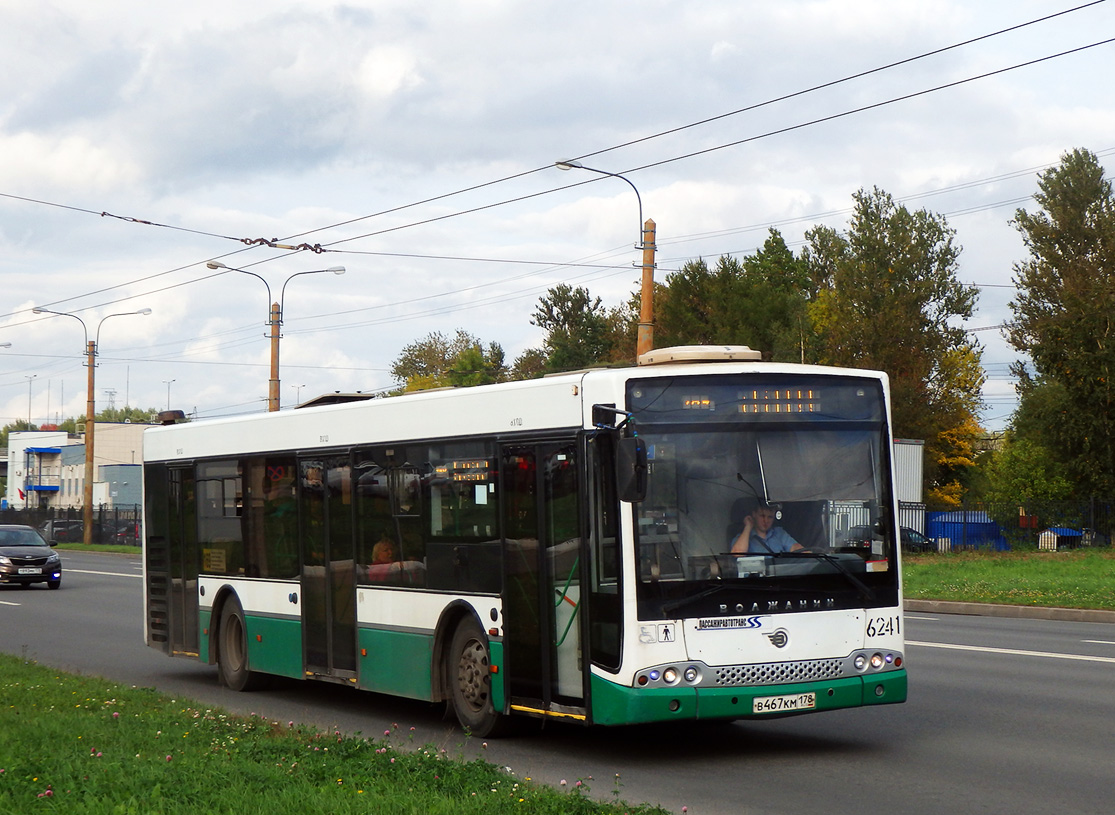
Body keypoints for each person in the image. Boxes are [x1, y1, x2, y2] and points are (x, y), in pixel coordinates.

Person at [730, 501, 802, 554]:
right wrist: (748, 527)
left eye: (770, 517)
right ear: (754, 514)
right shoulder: (743, 537)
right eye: (762, 516)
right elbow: (737, 553)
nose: (766, 521)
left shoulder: (779, 533)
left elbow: (795, 548)